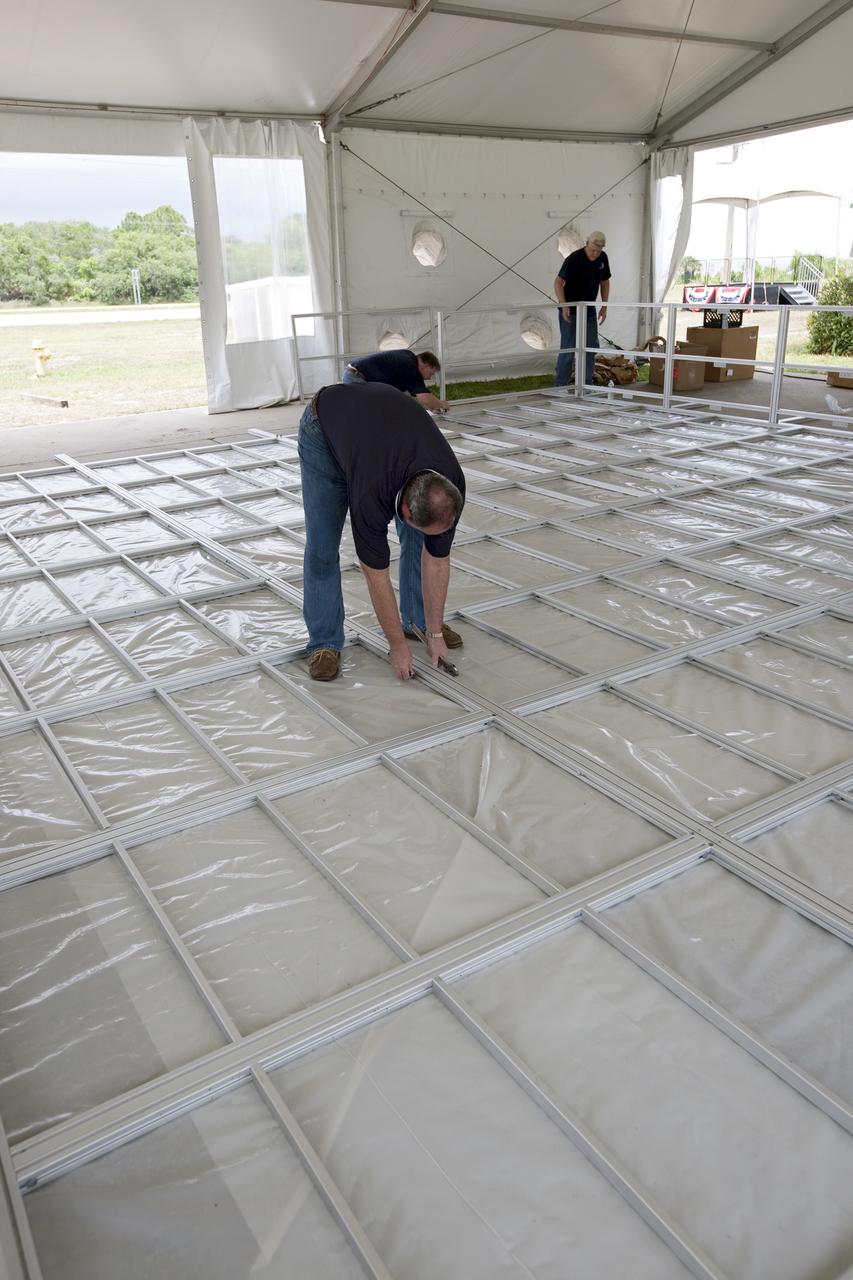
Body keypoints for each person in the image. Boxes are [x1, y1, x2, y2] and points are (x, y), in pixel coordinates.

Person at [298, 382, 466, 683]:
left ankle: (418, 623)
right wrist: (396, 647)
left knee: (419, 538)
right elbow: (377, 575)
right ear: (405, 511)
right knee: (323, 545)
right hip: (323, 429)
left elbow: (438, 559)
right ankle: (324, 642)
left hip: (378, 427)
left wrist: (436, 630)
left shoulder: (450, 487)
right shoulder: (372, 496)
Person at [554, 231, 611, 387]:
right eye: (593, 249)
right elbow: (558, 282)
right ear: (587, 243)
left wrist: (604, 306)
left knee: (590, 346)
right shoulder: (574, 259)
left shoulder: (603, 258)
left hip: (589, 309)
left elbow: (605, 282)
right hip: (570, 309)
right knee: (569, 347)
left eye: (598, 251)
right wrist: (564, 305)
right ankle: (560, 386)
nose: (595, 254)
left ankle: (586, 383)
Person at [342, 348, 450, 413]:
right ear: (425, 365)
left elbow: (422, 396)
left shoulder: (408, 356)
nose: (428, 378)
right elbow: (425, 398)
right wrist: (440, 404)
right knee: (368, 411)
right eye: (430, 373)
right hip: (356, 376)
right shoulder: (410, 367)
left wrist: (433, 405)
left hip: (354, 373)